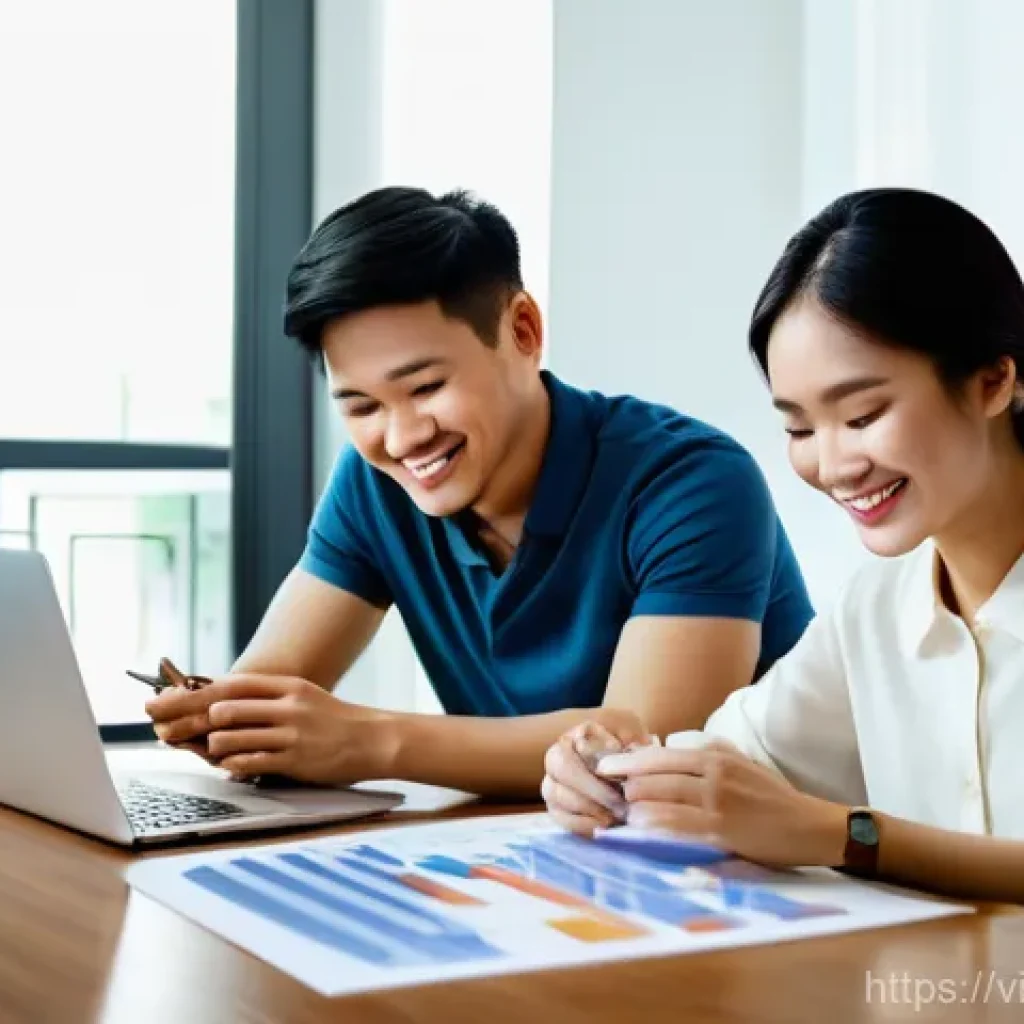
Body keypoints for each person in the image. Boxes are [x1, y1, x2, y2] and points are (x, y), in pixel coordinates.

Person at [145, 186, 812, 797]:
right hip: (539, 858)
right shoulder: (373, 485)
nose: (401, 437)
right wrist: (224, 720)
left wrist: (367, 740)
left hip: (770, 874)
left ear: (523, 330)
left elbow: (642, 749)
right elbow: (267, 689)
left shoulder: (694, 482)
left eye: (426, 388)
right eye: (361, 406)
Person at [541, 187, 1024, 904]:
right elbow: (737, 761)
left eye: (862, 414)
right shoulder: (876, 606)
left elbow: (813, 824)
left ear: (993, 380)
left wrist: (848, 835)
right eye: (800, 429)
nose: (833, 466)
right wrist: (608, 773)